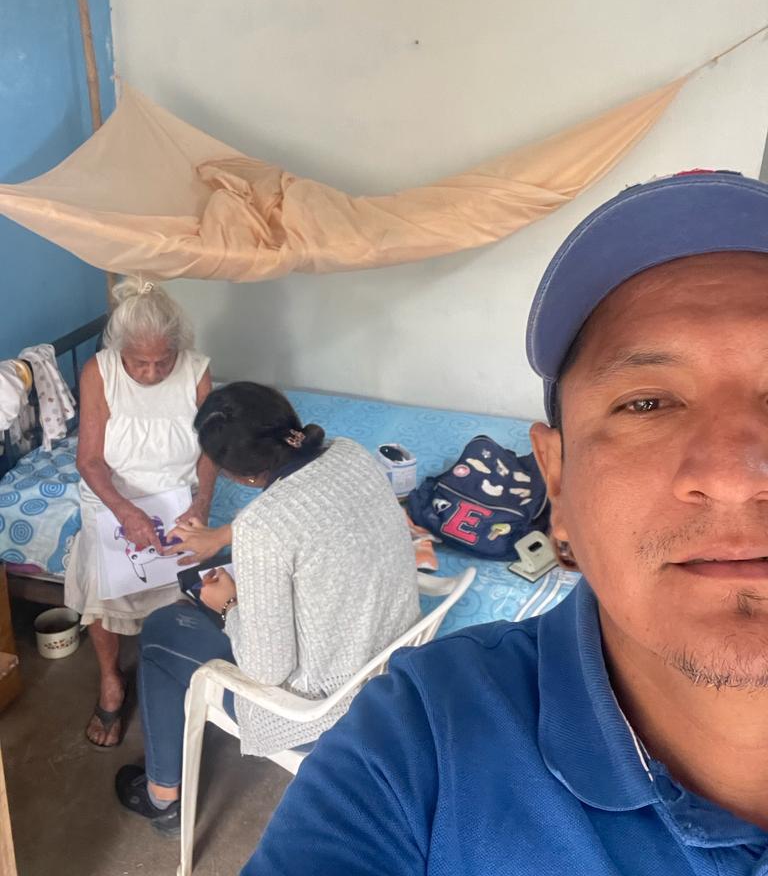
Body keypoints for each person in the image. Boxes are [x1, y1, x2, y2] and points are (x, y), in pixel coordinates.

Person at [242, 170, 768, 876]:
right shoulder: (420, 747)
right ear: (558, 483)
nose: (735, 475)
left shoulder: (265, 527)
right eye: (646, 403)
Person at [114, 381, 421, 833]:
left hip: (323, 709)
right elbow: (304, 514)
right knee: (201, 612)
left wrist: (228, 603)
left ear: (240, 476)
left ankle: (163, 798)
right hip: (393, 671)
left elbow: (267, 668)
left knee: (162, 629)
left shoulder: (262, 526)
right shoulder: (351, 453)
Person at [66, 277, 215, 748]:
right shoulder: (99, 371)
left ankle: (169, 676)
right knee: (103, 581)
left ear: (177, 348)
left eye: (162, 362)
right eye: (140, 363)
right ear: (121, 350)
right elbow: (89, 460)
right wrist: (125, 511)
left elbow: (210, 450)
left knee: (182, 587)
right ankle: (111, 677)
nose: (151, 373)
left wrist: (200, 504)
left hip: (177, 497)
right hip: (112, 497)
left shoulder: (196, 371)